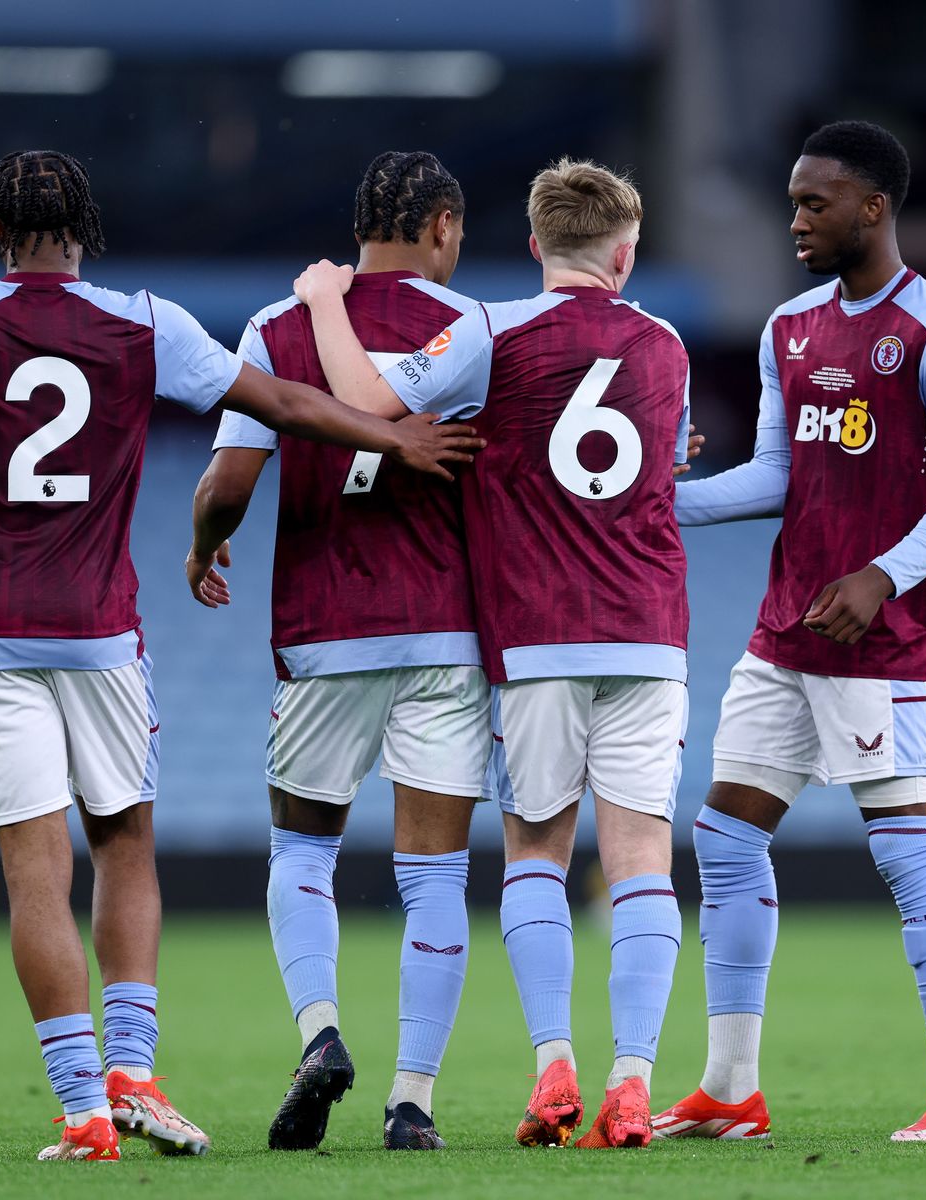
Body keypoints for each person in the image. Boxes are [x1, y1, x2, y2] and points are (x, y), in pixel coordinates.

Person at [0, 149, 480, 1163]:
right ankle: (135, 1074)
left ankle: (83, 1114)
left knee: (35, 876)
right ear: (84, 226)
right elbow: (280, 402)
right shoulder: (144, 321)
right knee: (127, 849)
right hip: (104, 636)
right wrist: (395, 437)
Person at [291, 157, 692, 1149]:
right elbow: (673, 464)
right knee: (641, 858)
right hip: (650, 632)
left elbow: (367, 400)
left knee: (536, 854)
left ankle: (553, 1064)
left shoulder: (487, 329)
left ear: (534, 247)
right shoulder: (668, 345)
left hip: (540, 637)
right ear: (627, 253)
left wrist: (323, 302)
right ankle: (633, 1079)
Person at [649, 120, 926, 1143]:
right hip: (784, 632)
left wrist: (883, 576)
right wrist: (658, 502)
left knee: (905, 848)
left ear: (874, 208)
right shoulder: (791, 328)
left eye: (817, 203)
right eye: (794, 201)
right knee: (722, 836)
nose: (797, 220)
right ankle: (730, 1089)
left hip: (875, 643)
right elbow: (775, 477)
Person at [188, 150, 484, 1152]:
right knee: (436, 878)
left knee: (303, 852)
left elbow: (228, 485)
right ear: (442, 225)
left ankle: (320, 1036)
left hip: (324, 636)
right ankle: (413, 1103)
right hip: (444, 632)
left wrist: (203, 541)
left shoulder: (277, 327)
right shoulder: (472, 330)